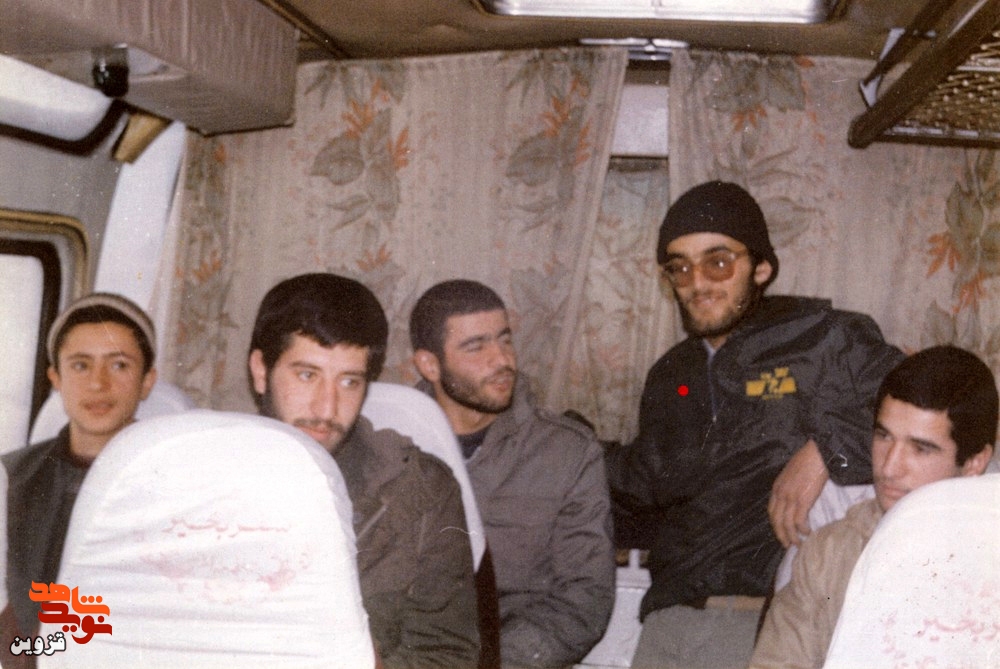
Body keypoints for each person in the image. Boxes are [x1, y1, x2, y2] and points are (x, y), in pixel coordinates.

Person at [603, 181, 905, 668]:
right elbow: (647, 481)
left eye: (718, 262)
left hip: (765, 620)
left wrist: (824, 450)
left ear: (761, 268)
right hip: (667, 619)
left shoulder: (824, 339)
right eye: (680, 268)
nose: (698, 283)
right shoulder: (671, 374)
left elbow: (925, 405)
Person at [247, 272, 480, 669]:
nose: (327, 408)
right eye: (307, 375)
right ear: (260, 370)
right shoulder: (200, 477)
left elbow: (448, 656)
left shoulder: (421, 491)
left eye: (349, 382)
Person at [409, 279, 615, 669]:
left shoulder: (567, 452)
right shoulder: (387, 446)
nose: (502, 360)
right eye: (476, 347)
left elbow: (584, 598)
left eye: (505, 340)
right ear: (429, 365)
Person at [750, 345, 997, 668]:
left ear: (975, 462)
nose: (889, 467)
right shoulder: (830, 552)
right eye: (884, 437)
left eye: (920, 449)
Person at [3, 293, 158, 639]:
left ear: (147, 381)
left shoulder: (175, 483)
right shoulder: (10, 478)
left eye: (119, 365)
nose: (98, 383)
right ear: (56, 378)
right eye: (80, 365)